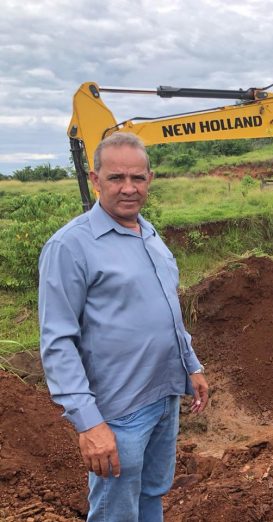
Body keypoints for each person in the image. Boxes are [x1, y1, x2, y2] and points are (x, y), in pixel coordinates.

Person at [38, 132, 209, 522]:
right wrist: (89, 423)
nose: (128, 188)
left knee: (152, 495)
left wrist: (191, 364)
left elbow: (167, 308)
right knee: (115, 512)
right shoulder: (70, 247)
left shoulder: (149, 234)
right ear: (95, 179)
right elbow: (58, 342)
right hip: (117, 412)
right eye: (116, 178)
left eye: (137, 178)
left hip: (165, 398)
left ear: (150, 179)